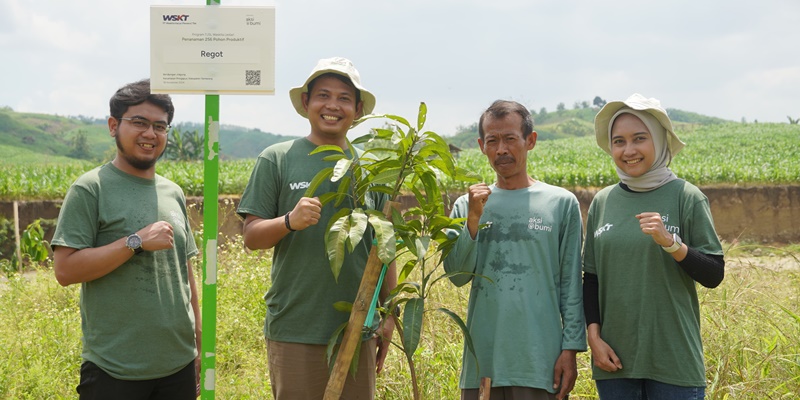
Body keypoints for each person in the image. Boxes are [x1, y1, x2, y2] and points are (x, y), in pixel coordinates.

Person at [237, 57, 396, 399]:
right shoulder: (277, 159)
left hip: (358, 329)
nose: (332, 106)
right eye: (323, 95)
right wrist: (289, 221)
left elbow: (385, 249)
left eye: (343, 98)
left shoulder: (371, 168)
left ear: (356, 109)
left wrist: (389, 315)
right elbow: (251, 237)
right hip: (295, 327)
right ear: (307, 102)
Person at [51, 79, 201, 399]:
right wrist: (135, 242)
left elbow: (185, 272)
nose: (150, 134)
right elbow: (65, 270)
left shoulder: (173, 192)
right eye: (139, 123)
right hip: (114, 368)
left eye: (160, 126)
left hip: (178, 364)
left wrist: (198, 343)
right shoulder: (90, 188)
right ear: (113, 125)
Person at [583, 93, 725, 399]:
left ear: (660, 141)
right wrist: (594, 338)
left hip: (674, 362)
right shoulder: (603, 202)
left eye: (639, 138)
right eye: (619, 141)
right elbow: (591, 279)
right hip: (614, 363)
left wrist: (671, 243)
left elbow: (714, 274)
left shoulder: (686, 197)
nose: (628, 150)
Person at [444, 100, 586, 400]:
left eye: (510, 138)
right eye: (492, 141)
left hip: (540, 362)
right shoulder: (466, 205)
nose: (501, 150)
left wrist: (570, 349)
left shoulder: (560, 204)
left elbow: (571, 284)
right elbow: (456, 276)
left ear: (530, 141)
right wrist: (472, 219)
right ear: (482, 146)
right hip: (483, 362)